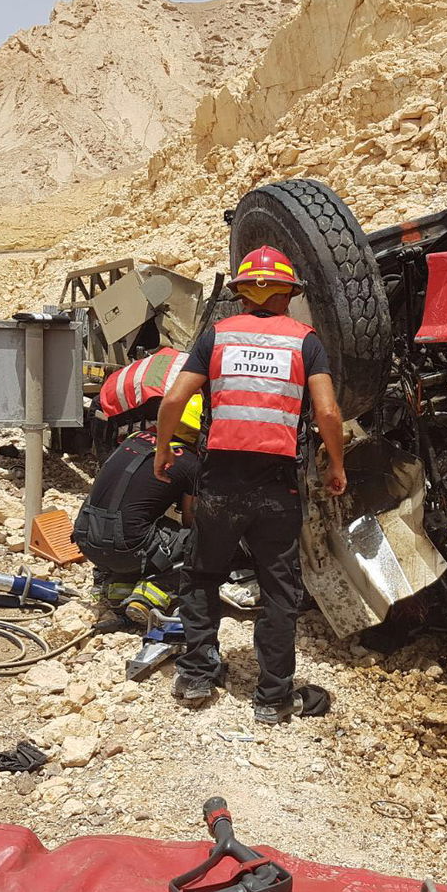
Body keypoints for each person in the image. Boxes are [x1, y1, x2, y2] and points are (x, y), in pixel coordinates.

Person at [154, 245, 347, 724]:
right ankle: (272, 699)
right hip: (277, 484)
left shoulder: (217, 336)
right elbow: (327, 412)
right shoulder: (305, 341)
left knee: (203, 574)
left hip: (219, 479)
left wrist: (162, 449)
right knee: (279, 588)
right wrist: (336, 465)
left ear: (241, 293)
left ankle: (197, 675)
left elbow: (174, 399)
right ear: (289, 294)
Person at [72, 394, 203, 624]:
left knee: (137, 523)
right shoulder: (189, 462)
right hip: (126, 548)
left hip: (86, 537)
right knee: (202, 541)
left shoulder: (133, 438)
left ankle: (117, 589)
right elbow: (190, 518)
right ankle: (150, 594)